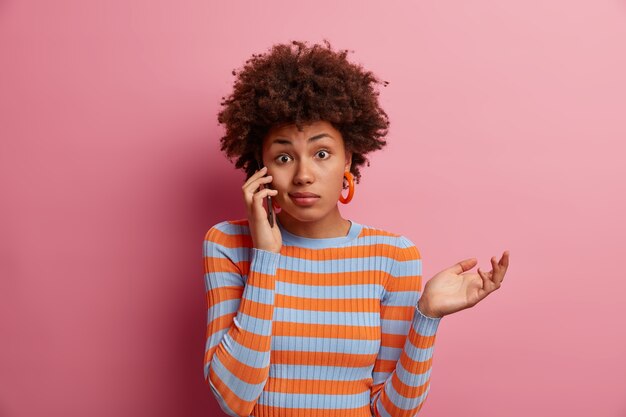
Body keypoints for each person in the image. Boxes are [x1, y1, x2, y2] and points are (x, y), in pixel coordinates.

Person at [202, 40, 510, 417]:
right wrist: (266, 257)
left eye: (321, 154)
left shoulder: (393, 256)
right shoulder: (228, 245)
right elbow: (233, 400)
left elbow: (391, 411)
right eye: (284, 157)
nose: (303, 175)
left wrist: (427, 316)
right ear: (260, 165)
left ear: (348, 157)